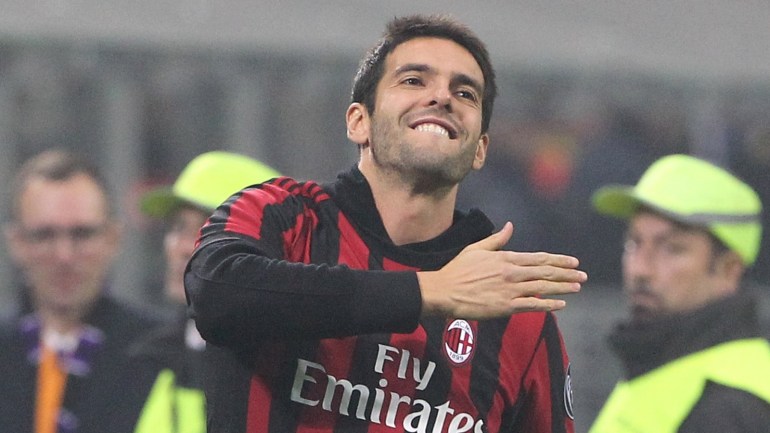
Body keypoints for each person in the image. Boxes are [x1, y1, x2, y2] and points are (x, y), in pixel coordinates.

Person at [185, 14, 587, 433]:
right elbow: (216, 294)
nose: (442, 98)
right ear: (360, 122)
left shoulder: (513, 307)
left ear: (480, 149)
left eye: (465, 92)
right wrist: (429, 291)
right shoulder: (282, 215)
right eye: (414, 80)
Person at [588, 154, 770, 433]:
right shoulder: (662, 362)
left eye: (671, 248)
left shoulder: (732, 403)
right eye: (634, 243)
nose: (641, 269)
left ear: (729, 269)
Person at [0, 149, 161, 433]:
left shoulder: (159, 352)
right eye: (44, 235)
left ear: (113, 238)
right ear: (16, 243)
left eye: (82, 234)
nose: (64, 255)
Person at [129, 151, 280, 433]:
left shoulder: (302, 380)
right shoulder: (143, 361)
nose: (183, 247)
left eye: (207, 231)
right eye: (178, 227)